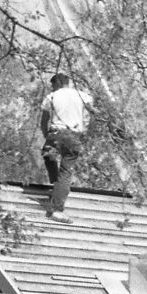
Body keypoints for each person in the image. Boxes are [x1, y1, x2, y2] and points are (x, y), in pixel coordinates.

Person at [37, 72, 92, 215]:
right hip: (74, 135)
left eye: (53, 85)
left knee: (48, 154)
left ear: (57, 83)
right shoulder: (82, 95)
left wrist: (46, 135)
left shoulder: (52, 96)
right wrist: (87, 130)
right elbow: (93, 111)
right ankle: (58, 196)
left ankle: (57, 201)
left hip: (56, 133)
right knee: (65, 172)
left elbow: (43, 121)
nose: (52, 88)